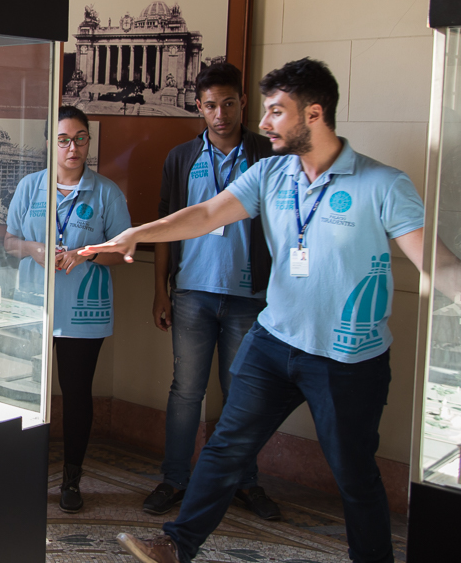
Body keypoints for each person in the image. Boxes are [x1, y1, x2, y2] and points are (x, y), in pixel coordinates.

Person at [81, 59, 437, 563]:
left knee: (354, 476)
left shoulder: (384, 184)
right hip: (274, 341)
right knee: (227, 446)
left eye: (275, 111)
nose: (264, 123)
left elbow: (435, 262)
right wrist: (137, 233)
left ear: (313, 114)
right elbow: (205, 214)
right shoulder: (269, 172)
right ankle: (178, 545)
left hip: (346, 359)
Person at [144, 62, 280, 520]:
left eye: (228, 103)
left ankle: (246, 482)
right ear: (198, 108)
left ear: (244, 103)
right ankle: (174, 478)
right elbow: (165, 228)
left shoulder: (268, 155)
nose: (220, 113)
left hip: (249, 297)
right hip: (191, 294)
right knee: (186, 391)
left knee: (243, 392)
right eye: (210, 105)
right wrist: (162, 291)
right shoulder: (181, 157)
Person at [5, 105, 130, 513]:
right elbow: (8, 243)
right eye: (63, 140)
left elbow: (124, 249)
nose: (72, 147)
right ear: (49, 144)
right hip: (32, 308)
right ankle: (20, 474)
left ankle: (71, 480)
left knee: (77, 395)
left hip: (82, 314)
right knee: (25, 392)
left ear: (89, 142)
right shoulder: (30, 187)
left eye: (80, 138)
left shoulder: (107, 191)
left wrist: (88, 253)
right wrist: (34, 249)